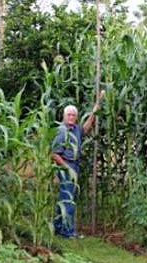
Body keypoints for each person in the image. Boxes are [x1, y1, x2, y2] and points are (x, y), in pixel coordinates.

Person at [51, 91, 105, 238]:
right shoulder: (62, 131)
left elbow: (86, 127)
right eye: (69, 115)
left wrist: (96, 108)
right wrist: (67, 168)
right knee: (68, 200)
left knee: (65, 199)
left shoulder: (76, 130)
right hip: (66, 167)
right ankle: (68, 232)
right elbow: (54, 154)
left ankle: (58, 227)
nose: (71, 117)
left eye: (74, 115)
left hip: (74, 165)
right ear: (64, 116)